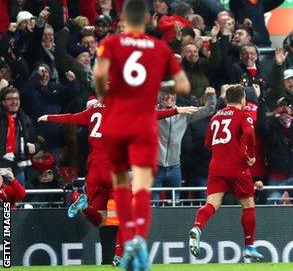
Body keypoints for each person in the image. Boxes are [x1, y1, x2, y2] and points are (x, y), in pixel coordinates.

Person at [93, 0, 190, 270]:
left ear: (123, 17)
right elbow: (182, 85)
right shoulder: (159, 47)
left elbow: (99, 77)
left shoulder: (109, 43)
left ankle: (127, 237)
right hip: (144, 123)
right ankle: (137, 240)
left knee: (122, 183)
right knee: (143, 186)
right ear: (148, 18)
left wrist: (105, 94)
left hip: (117, 122)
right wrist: (157, 86)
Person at [38, 96, 187, 266]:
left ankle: (83, 205)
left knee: (101, 220)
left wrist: (48, 117)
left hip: (94, 171)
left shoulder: (92, 110)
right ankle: (118, 254)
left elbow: (71, 118)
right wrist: (175, 110)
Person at [188, 85, 263, 261]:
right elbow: (249, 134)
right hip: (237, 165)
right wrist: (250, 155)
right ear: (242, 99)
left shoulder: (215, 116)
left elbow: (208, 143)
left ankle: (197, 227)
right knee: (248, 204)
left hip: (216, 166)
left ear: (226, 99)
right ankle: (249, 247)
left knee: (212, 203)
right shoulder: (244, 115)